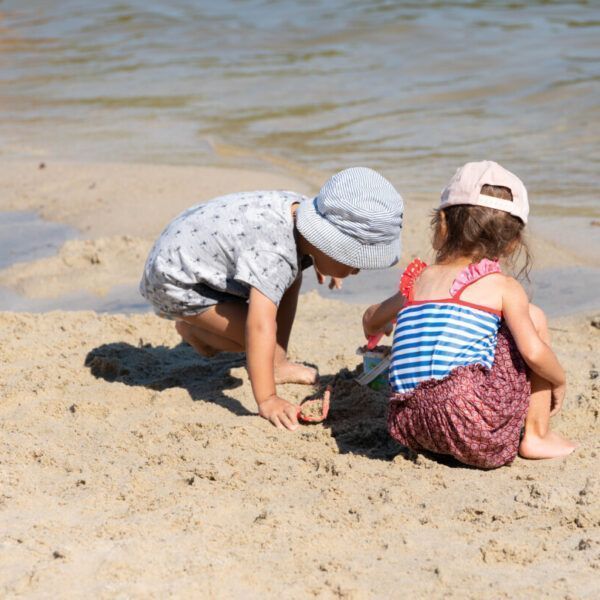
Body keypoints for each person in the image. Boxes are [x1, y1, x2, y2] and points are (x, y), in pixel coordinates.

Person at [140, 167, 403, 431]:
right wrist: (268, 399)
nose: (356, 270)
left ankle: (277, 363)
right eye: (353, 261)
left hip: (192, 248)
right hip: (175, 279)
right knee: (254, 341)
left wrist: (324, 262)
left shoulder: (299, 210)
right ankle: (194, 332)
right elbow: (259, 325)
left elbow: (293, 252)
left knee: (292, 275)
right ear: (328, 243)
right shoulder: (275, 254)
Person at [362, 161, 575, 468]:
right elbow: (533, 352)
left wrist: (378, 322)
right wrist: (558, 379)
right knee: (534, 318)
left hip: (407, 425)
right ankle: (537, 434)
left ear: (443, 226)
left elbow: (372, 321)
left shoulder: (418, 280)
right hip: (473, 429)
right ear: (514, 242)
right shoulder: (502, 286)